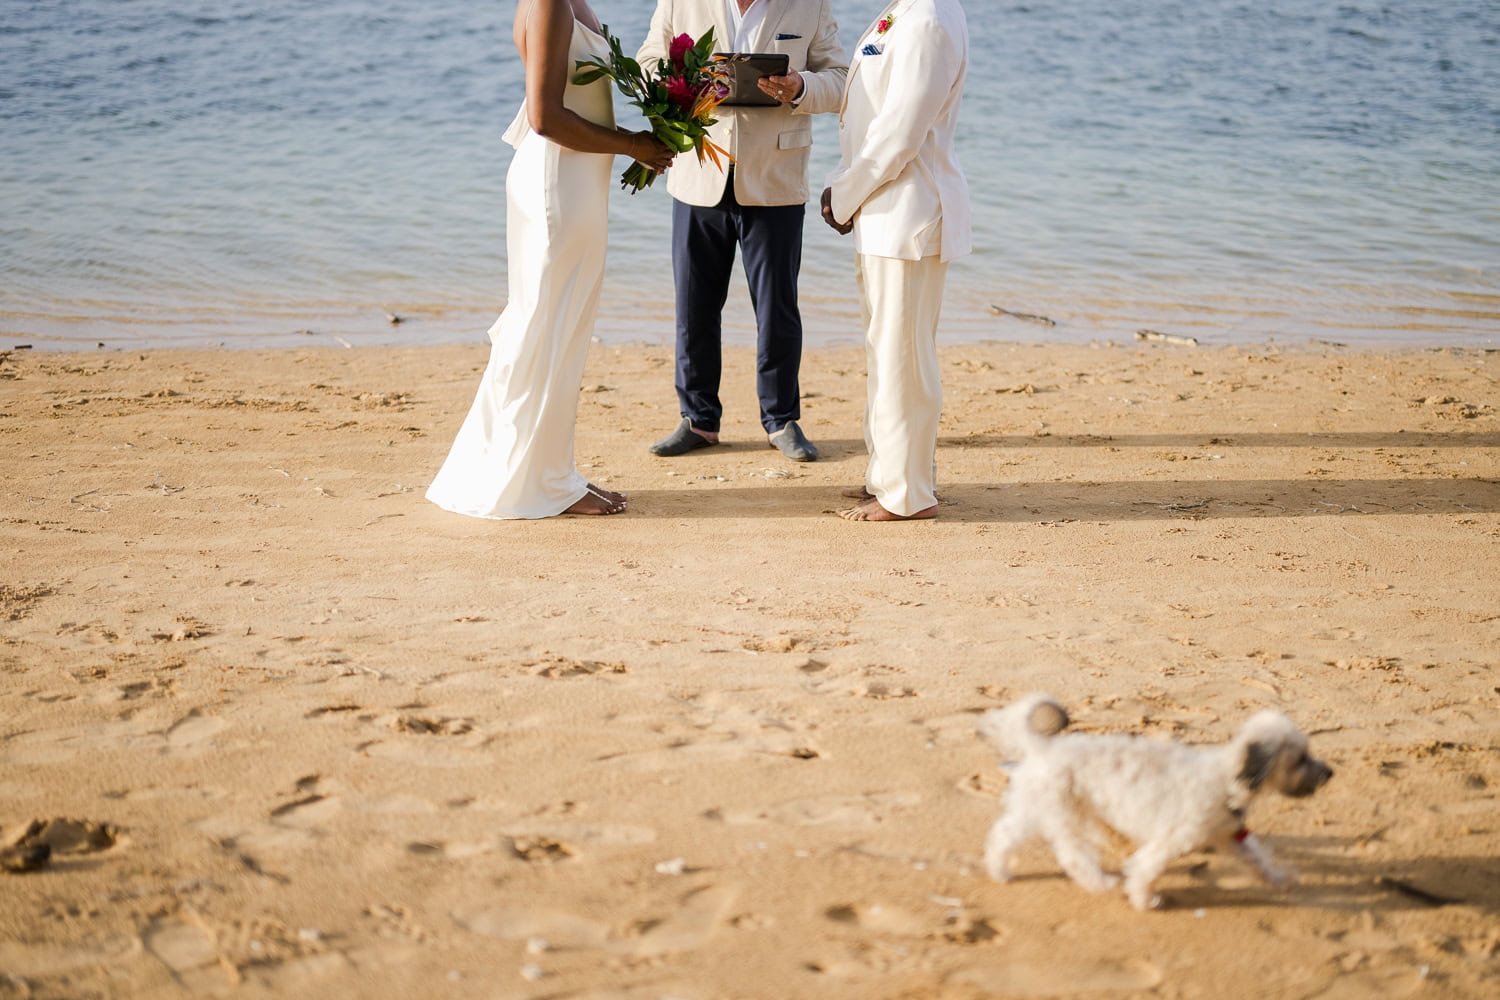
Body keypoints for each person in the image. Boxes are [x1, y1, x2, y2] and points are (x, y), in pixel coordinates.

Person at [426, 0, 675, 518]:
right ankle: (543, 481)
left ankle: (552, 473)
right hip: (556, 183)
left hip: (578, 181)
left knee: (558, 329)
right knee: (544, 326)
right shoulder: (548, 3)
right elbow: (544, 118)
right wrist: (633, 145)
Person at [639, 0, 848, 462]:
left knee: (777, 308)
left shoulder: (809, 5)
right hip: (698, 173)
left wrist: (799, 85)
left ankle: (781, 420)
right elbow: (649, 60)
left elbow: (842, 80)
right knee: (693, 306)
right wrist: (685, 83)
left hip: (776, 179)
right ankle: (698, 420)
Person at [820, 0, 970, 521]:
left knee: (903, 357)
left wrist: (843, 193)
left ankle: (907, 495)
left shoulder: (929, 18)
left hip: (909, 211)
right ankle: (887, 476)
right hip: (882, 212)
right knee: (886, 351)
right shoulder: (904, 10)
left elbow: (901, 133)